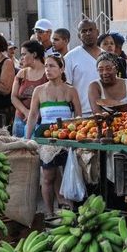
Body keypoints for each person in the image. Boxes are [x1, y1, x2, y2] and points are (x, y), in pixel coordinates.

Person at [25, 55, 81, 216]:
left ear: (61, 69)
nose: (48, 70)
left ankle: (70, 213)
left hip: (66, 137)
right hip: (45, 138)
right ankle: (49, 214)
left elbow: (78, 117)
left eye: (52, 66)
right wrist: (28, 139)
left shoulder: (71, 90)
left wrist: (76, 139)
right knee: (48, 177)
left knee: (68, 174)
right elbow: (33, 116)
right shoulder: (39, 90)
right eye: (46, 66)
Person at [64, 19, 103, 117]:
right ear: (79, 36)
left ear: (97, 32)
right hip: (82, 113)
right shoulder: (70, 57)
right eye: (84, 31)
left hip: (106, 112)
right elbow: (66, 86)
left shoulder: (106, 56)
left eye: (91, 30)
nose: (88, 33)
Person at [11, 40, 47, 137]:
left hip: (40, 120)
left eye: (24, 54)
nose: (21, 58)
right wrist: (26, 112)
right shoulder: (22, 73)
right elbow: (13, 97)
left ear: (34, 54)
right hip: (20, 118)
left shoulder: (47, 73)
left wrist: (33, 115)